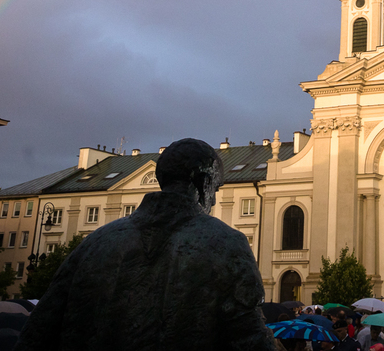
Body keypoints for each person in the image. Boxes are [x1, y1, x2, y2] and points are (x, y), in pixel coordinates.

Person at [14, 138, 275, 351]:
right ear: (202, 182)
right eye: (216, 189)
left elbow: (37, 335)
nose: (215, 200)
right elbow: (251, 340)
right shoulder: (226, 244)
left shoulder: (94, 243)